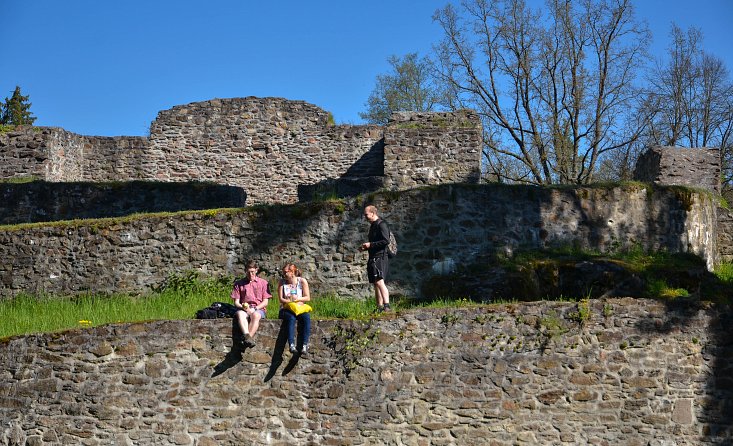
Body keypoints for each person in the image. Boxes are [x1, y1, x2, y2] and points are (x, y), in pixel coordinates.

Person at [230, 260, 271, 348]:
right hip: (244, 308)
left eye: (252, 272)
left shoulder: (263, 283)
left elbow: (265, 302)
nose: (250, 274)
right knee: (240, 314)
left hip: (258, 309)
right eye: (248, 272)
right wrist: (243, 307)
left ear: (256, 270)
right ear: (245, 271)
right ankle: (247, 337)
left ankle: (246, 340)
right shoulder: (239, 284)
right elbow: (236, 302)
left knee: (255, 316)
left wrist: (255, 308)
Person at [360, 205, 391, 312]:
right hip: (373, 256)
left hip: (380, 256)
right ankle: (379, 306)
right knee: (376, 282)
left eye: (366, 214)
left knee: (379, 281)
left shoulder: (381, 224)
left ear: (373, 213)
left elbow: (386, 241)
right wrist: (366, 247)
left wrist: (371, 245)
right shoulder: (373, 225)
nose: (365, 217)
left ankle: (387, 306)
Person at [278, 263, 312, 355]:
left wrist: (298, 299)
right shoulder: (282, 282)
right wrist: (289, 301)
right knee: (291, 318)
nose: (284, 274)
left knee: (306, 317)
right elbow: (281, 299)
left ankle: (304, 344)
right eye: (283, 272)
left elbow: (307, 297)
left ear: (292, 272)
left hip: (299, 308)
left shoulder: (302, 281)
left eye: (286, 272)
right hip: (287, 308)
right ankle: (291, 344)